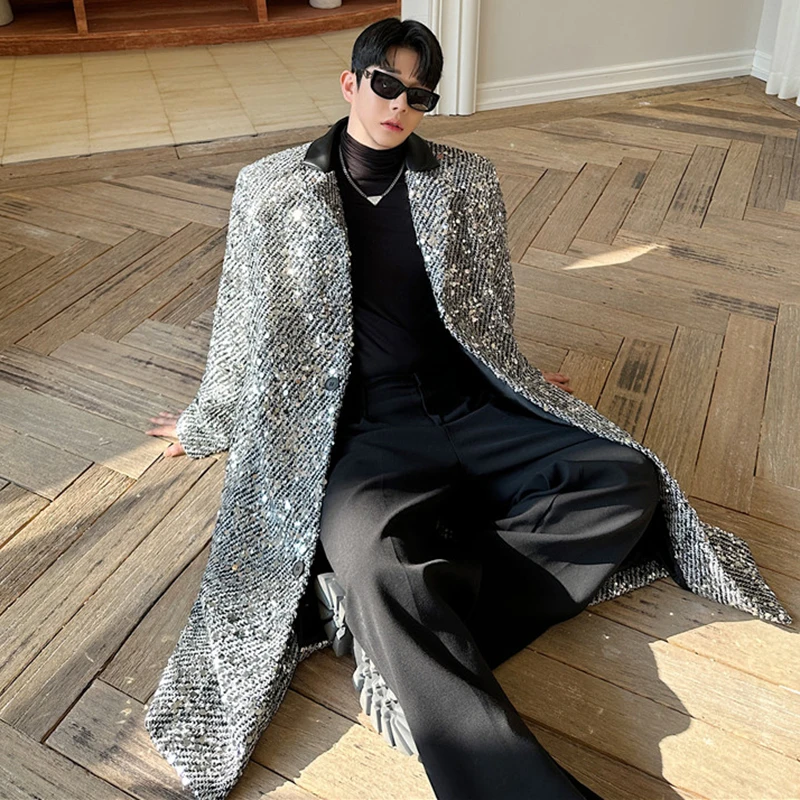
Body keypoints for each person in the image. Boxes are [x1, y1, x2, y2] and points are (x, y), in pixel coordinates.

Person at [144, 17, 790, 800]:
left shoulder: (466, 179)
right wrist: (210, 418)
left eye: (419, 95)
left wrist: (517, 375)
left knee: (623, 480)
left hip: (468, 401)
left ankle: (397, 638)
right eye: (386, 85)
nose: (399, 104)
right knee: (374, 558)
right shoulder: (273, 187)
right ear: (351, 84)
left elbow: (486, 307)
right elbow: (243, 319)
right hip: (362, 424)